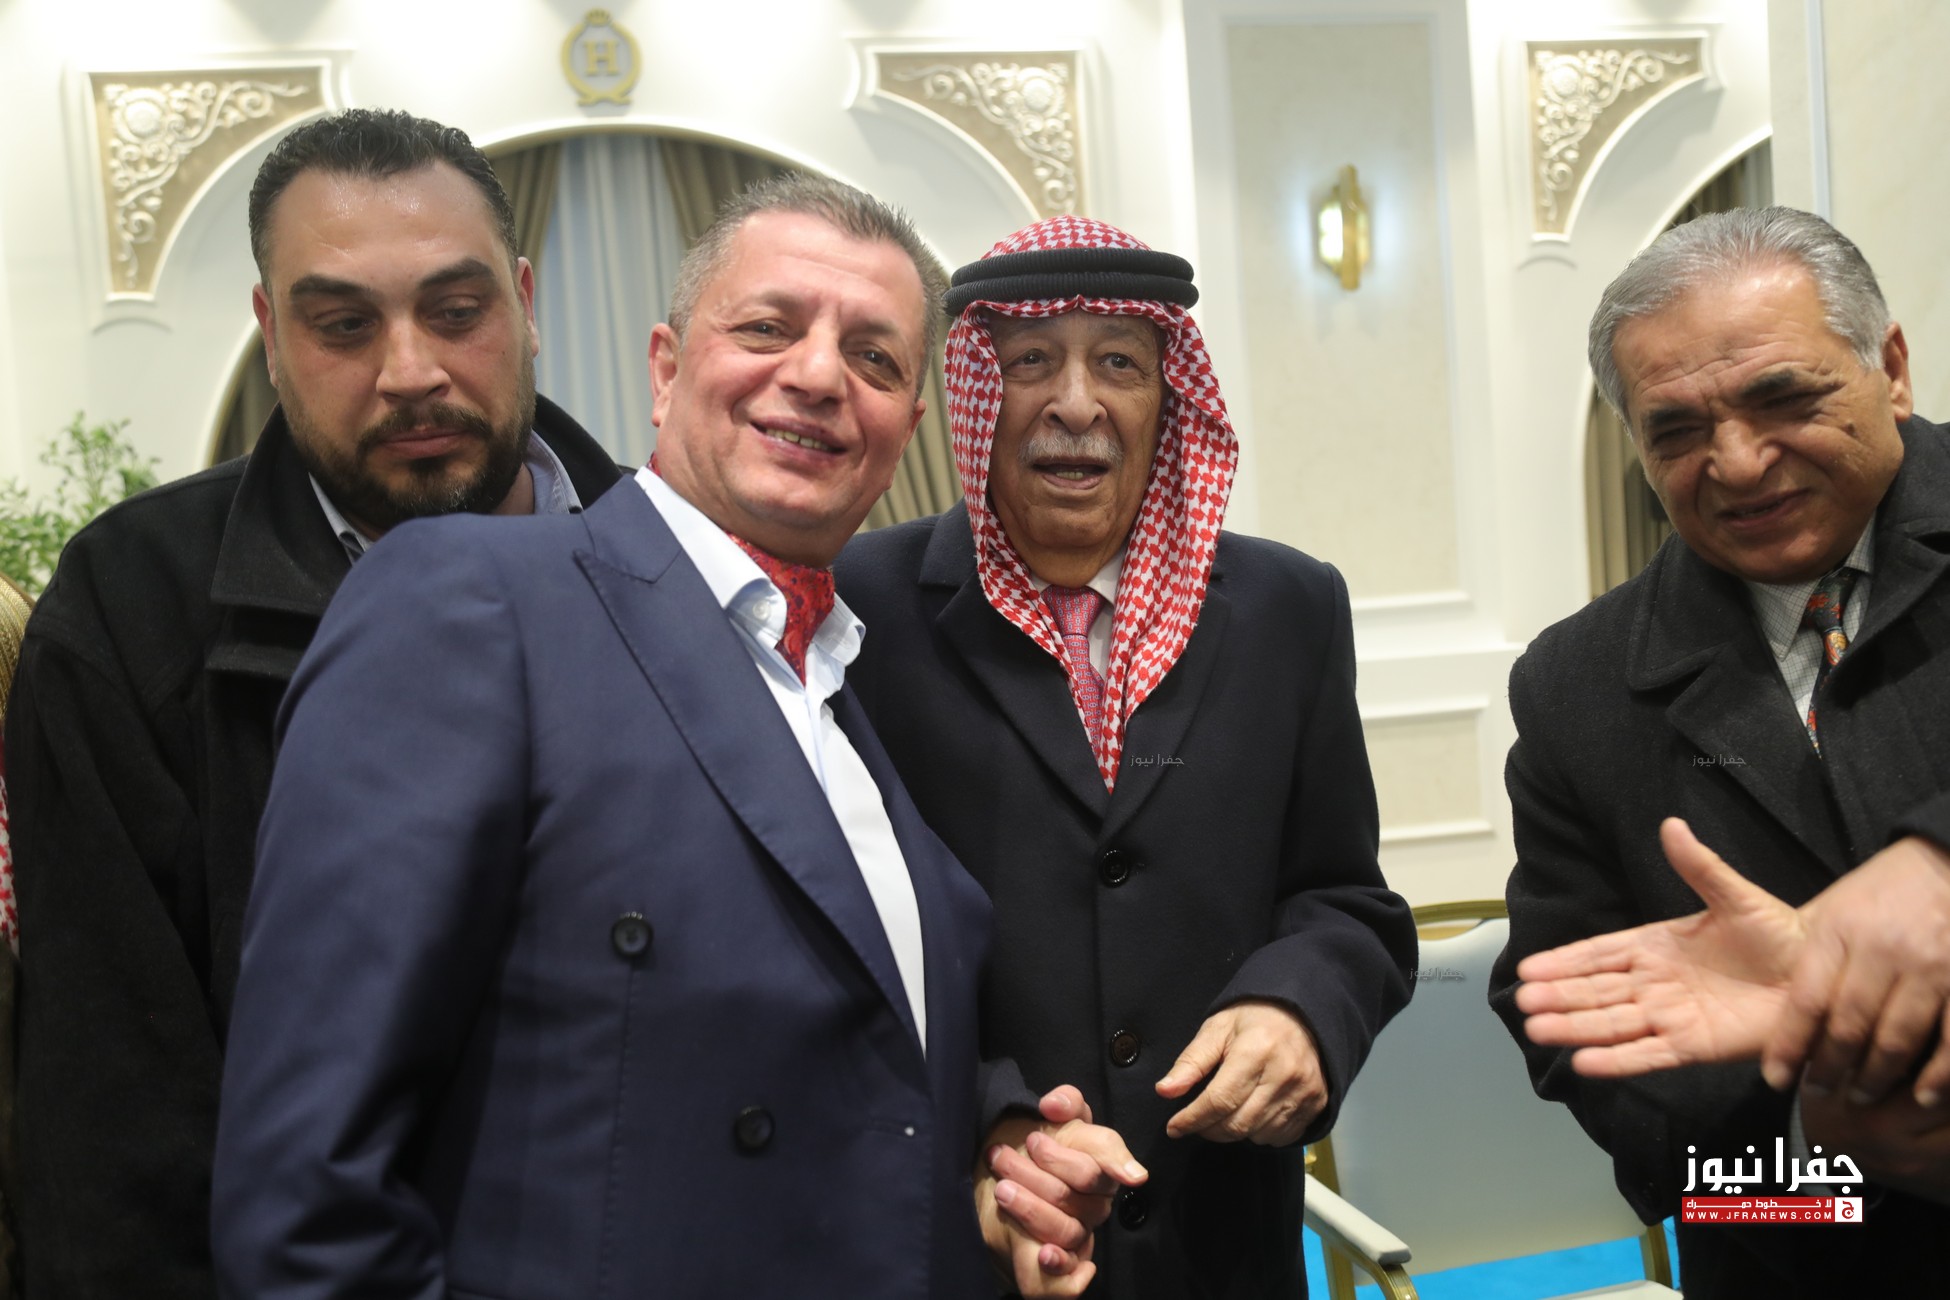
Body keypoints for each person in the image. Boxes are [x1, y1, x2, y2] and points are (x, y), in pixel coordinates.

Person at [212, 175, 1140, 1299]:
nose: (818, 376)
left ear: (906, 430)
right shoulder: (474, 599)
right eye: (768, 328)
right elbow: (308, 1191)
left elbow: (844, 1046)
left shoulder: (844, 681)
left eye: (875, 358)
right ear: (664, 369)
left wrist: (1000, 1156)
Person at [2, 108, 623, 1298]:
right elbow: (114, 1113)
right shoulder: (133, 608)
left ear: (526, 301)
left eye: (457, 311)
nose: (411, 371)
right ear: (271, 335)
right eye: (344, 325)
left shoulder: (682, 571)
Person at [834, 215, 1417, 1299]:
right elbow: (838, 939)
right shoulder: (858, 607)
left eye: (1118, 363)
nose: (1075, 403)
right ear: (975, 391)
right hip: (969, 1234)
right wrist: (997, 1117)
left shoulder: (1288, 607)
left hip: (1221, 1244)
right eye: (1029, 363)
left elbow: (1345, 899)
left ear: (1168, 399)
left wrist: (1298, 1006)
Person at [1487, 206, 1950, 1295]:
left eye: (1783, 398)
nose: (1737, 464)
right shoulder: (1575, 684)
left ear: (1890, 369)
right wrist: (1821, 1160)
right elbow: (1587, 1050)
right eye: (1678, 430)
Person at [1511, 815, 1950, 1204]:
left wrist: (1935, 854)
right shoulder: (1569, 750)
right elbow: (1567, 1021)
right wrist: (1801, 1130)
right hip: (1785, 1223)